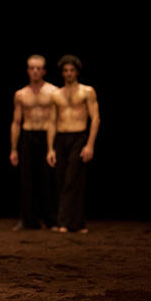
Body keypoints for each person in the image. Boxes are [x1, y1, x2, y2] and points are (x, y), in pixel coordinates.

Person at [46, 55, 100, 233]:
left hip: (79, 137)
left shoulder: (87, 91)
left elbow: (96, 119)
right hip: (61, 138)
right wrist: (50, 149)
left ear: (77, 72)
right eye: (65, 71)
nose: (68, 74)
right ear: (62, 73)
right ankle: (77, 224)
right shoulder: (56, 95)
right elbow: (52, 122)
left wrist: (90, 144)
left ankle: (63, 222)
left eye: (72, 70)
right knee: (62, 180)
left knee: (72, 179)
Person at [10, 55, 59, 231]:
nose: (35, 71)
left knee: (48, 179)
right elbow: (16, 122)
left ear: (44, 71)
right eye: (32, 68)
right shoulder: (21, 94)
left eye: (38, 68)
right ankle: (28, 220)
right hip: (28, 136)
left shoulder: (54, 92)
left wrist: (52, 146)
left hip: (47, 135)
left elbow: (55, 119)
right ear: (28, 71)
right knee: (27, 179)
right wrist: (14, 149)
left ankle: (51, 219)